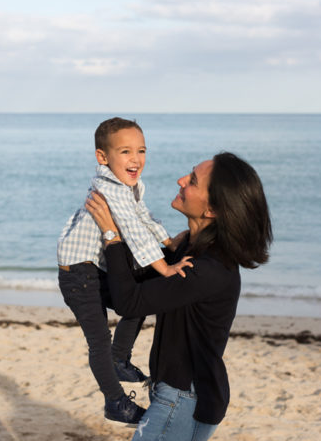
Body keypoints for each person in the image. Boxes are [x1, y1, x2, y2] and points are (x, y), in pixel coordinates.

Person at [85, 151, 273, 440]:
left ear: (212, 210)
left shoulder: (207, 269)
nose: (181, 180)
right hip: (179, 394)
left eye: (193, 181)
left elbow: (129, 301)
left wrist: (112, 235)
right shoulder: (190, 252)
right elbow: (134, 289)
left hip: (184, 399)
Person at [57, 117, 191, 426]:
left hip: (92, 268)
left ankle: (120, 358)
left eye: (141, 151)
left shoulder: (127, 186)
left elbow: (143, 216)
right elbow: (134, 233)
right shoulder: (111, 190)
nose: (136, 159)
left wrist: (169, 241)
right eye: (126, 152)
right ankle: (114, 402)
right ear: (103, 157)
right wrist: (166, 267)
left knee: (140, 294)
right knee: (98, 339)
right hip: (77, 274)